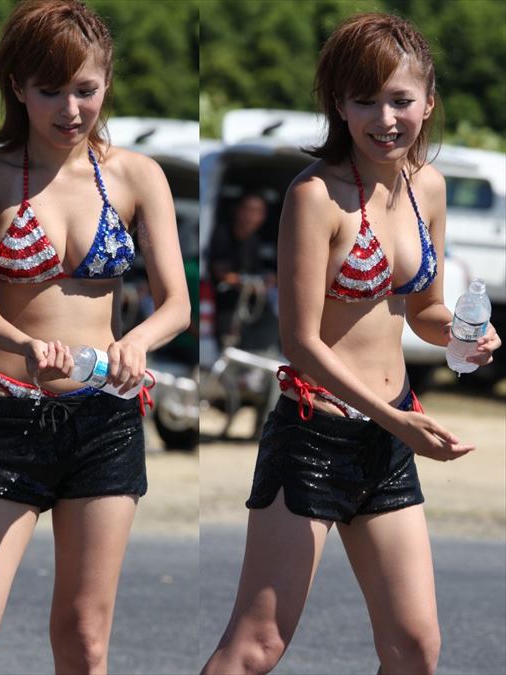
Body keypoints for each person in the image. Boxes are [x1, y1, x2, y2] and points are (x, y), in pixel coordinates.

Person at [203, 13, 501, 675]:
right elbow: (300, 341)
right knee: (256, 647)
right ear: (340, 105)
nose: (385, 119)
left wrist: (463, 333)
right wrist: (397, 420)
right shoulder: (315, 195)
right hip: (315, 434)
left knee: (415, 648)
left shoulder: (428, 188)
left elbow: (423, 310)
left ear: (429, 102)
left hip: (388, 440)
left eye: (401, 100)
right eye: (365, 101)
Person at [0, 1, 189, 672]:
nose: (70, 109)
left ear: (106, 82)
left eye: (85, 89)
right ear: (18, 87)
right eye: (50, 90)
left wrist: (137, 342)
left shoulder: (137, 176)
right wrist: (27, 344)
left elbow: (176, 304)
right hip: (11, 413)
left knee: (84, 637)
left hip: (106, 420)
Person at [209, 192, 278, 351]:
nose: (251, 216)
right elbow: (222, 274)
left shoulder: (255, 241)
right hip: (224, 302)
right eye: (248, 210)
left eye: (257, 212)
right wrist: (246, 283)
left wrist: (266, 282)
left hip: (250, 303)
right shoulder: (221, 234)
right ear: (237, 210)